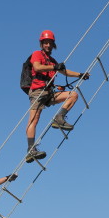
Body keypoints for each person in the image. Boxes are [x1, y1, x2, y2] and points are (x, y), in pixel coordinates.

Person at [25, 30, 90, 163]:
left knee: (73, 95)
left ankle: (59, 118)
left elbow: (64, 71)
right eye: (45, 42)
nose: (48, 45)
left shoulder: (52, 60)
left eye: (50, 43)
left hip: (49, 92)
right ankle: (31, 149)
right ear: (42, 43)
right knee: (34, 120)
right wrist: (54, 67)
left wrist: (80, 74)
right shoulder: (37, 54)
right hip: (37, 91)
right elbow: (37, 67)